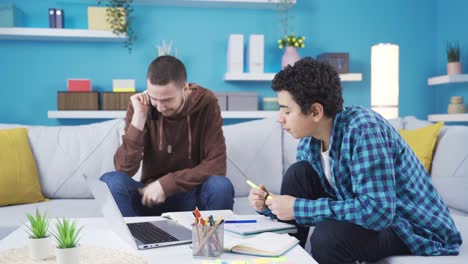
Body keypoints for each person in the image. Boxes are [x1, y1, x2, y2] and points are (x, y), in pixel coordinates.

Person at [248, 57, 462, 263]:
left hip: (409, 226)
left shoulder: (364, 130)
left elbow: (377, 212)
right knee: (298, 173)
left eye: (286, 110)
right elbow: (331, 201)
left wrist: (298, 207)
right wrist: (270, 203)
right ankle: (286, 260)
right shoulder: (309, 143)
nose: (279, 118)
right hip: (380, 217)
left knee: (327, 237)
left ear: (315, 111)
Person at [101, 55, 234, 217]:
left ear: (185, 89)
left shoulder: (206, 102)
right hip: (149, 197)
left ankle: (211, 240)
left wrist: (167, 184)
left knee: (221, 186)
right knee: (111, 181)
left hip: (192, 198)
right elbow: (124, 169)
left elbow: (217, 166)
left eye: (167, 100)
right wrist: (139, 119)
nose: (160, 107)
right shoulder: (141, 105)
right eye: (154, 99)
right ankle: (135, 238)